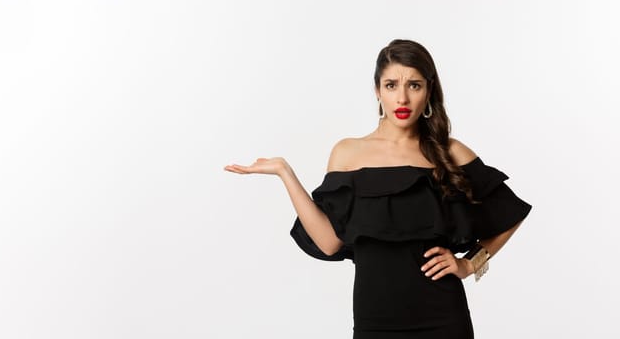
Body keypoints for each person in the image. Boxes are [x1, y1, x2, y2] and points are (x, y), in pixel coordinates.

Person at [223, 39, 532, 338]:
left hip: (443, 318)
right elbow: (329, 242)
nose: (402, 99)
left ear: (429, 91)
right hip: (375, 320)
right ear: (377, 91)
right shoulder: (347, 153)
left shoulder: (449, 151)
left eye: (414, 85)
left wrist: (469, 263)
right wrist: (284, 172)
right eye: (391, 85)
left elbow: (510, 213)